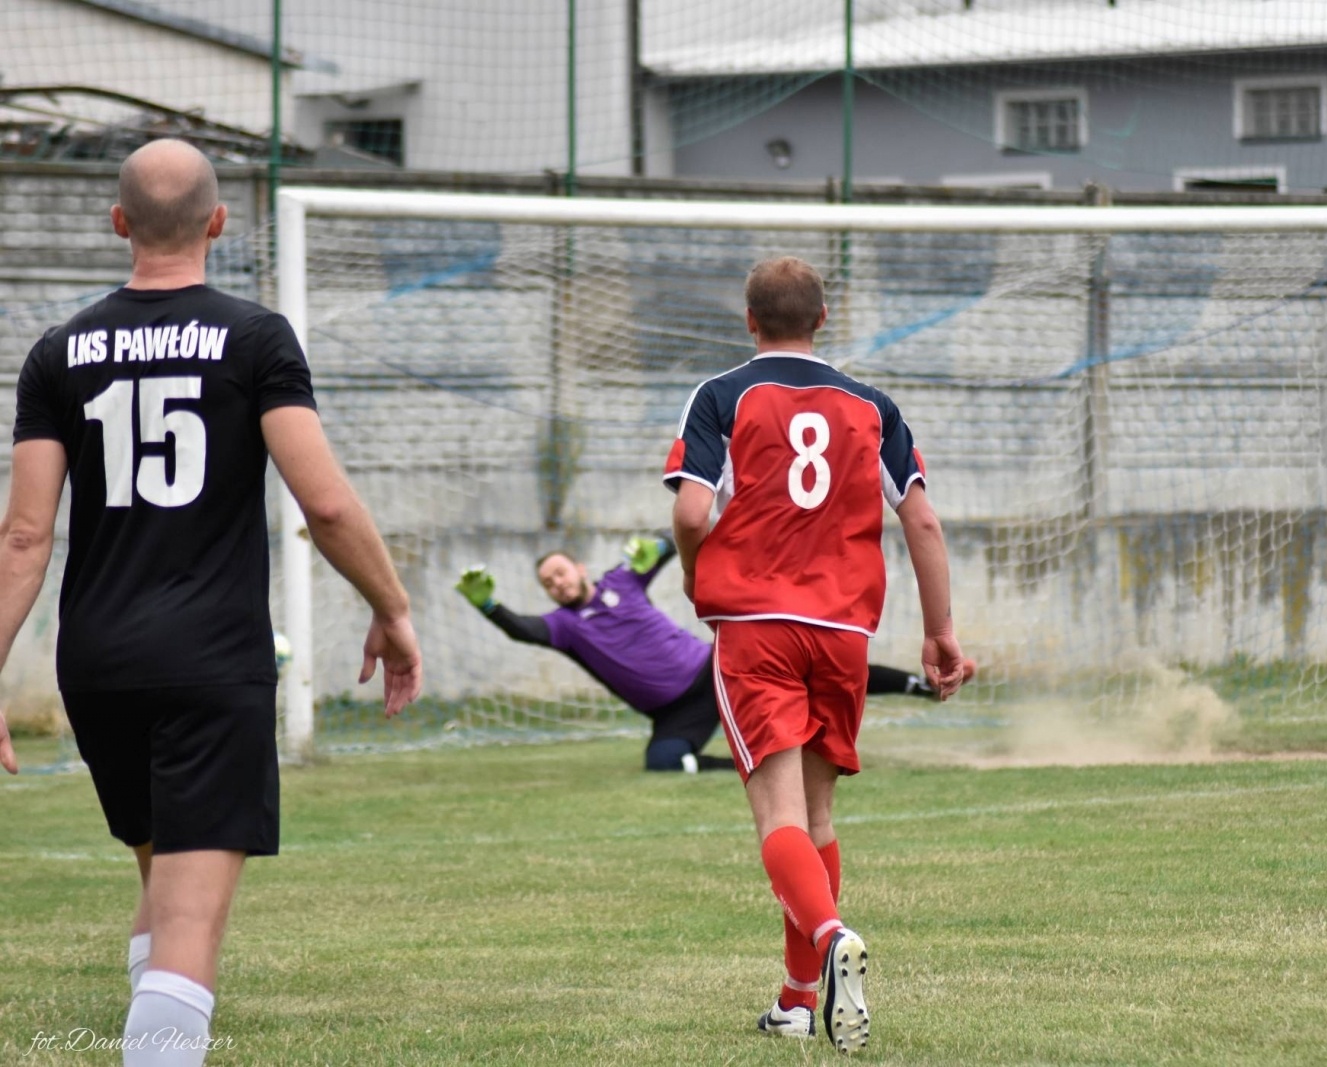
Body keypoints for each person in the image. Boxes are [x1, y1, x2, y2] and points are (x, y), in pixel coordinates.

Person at [0, 139, 422, 1067]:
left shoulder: (58, 352)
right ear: (219, 223)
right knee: (190, 918)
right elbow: (326, 503)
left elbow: (24, 537)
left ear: (119, 223)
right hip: (209, 658)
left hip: (98, 660)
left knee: (164, 879)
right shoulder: (254, 337)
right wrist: (391, 608)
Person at [664, 256, 964, 1054]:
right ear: (824, 319)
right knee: (819, 816)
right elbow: (923, 522)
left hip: (757, 624)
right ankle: (798, 1001)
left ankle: (830, 935)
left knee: (779, 817)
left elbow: (691, 512)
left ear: (749, 320)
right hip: (842, 632)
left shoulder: (722, 395)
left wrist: (697, 573)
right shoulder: (872, 405)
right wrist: (940, 631)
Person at [453, 535, 974, 773]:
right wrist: (488, 605)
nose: (557, 584)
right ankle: (741, 766)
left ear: (580, 569)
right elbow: (522, 629)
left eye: (561, 573)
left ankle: (920, 686)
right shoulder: (563, 627)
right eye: (548, 582)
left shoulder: (620, 581)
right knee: (662, 762)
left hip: (713, 671)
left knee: (820, 673)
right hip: (674, 712)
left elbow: (667, 542)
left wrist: (652, 547)